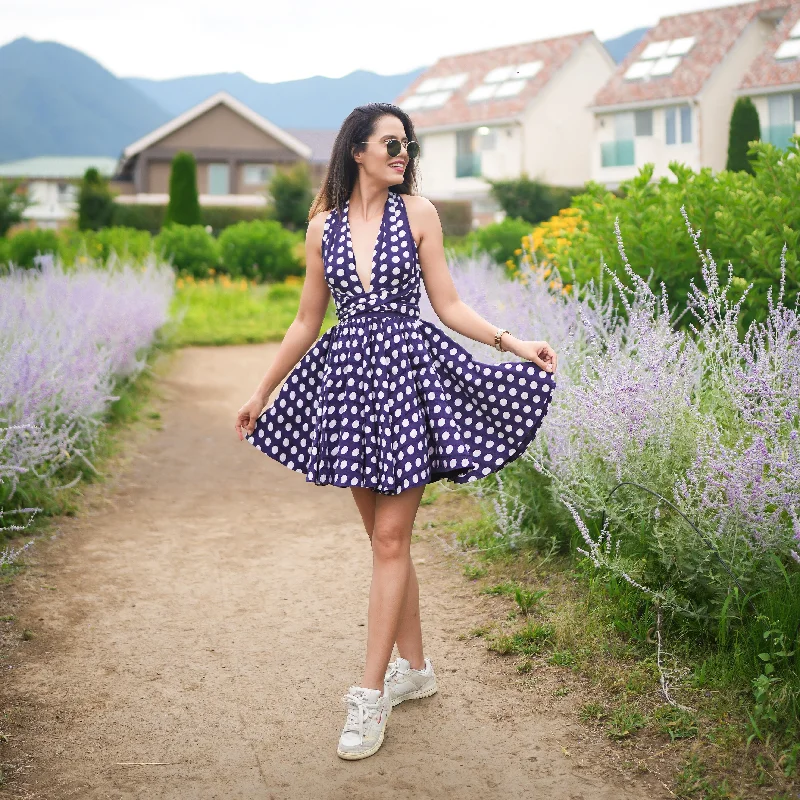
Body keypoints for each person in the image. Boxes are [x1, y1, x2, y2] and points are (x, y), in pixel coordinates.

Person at [234, 102, 557, 760]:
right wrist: (261, 391)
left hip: (407, 386)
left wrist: (511, 342)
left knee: (388, 538)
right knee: (383, 542)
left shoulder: (421, 215)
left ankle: (370, 694)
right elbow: (306, 321)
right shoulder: (321, 227)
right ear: (357, 150)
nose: (402, 152)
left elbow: (449, 304)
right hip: (349, 390)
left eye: (406, 144)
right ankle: (417, 669)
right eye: (390, 143)